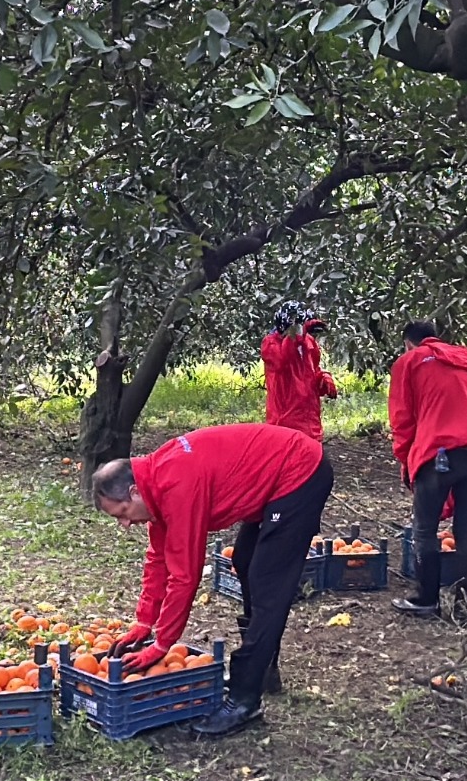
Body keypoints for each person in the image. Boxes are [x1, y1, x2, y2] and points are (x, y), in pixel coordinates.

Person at [90, 422, 334, 737]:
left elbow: (184, 575)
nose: (124, 524)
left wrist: (162, 643)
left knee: (268, 583)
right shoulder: (154, 483)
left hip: (300, 471)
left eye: (121, 513)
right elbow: (158, 558)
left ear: (134, 492)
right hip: (272, 476)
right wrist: (144, 622)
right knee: (244, 560)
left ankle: (245, 700)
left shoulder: (177, 485)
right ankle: (263, 669)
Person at [387, 321, 467, 617]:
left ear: (409, 343)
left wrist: (406, 459)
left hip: (438, 451)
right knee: (465, 529)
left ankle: (426, 600)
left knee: (425, 529)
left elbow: (402, 418)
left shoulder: (409, 362)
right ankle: (463, 606)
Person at [261, 301, 338, 442]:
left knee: (313, 461)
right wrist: (295, 337)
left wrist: (323, 379)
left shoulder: (308, 342)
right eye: (300, 326)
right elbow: (282, 362)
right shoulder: (271, 344)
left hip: (310, 421)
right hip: (285, 422)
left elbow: (312, 371)